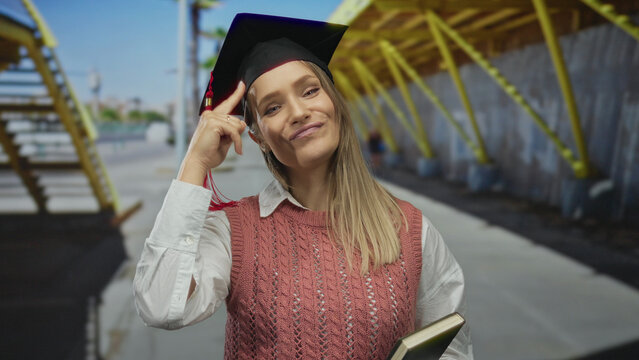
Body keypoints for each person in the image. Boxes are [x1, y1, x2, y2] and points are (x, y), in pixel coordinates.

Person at [133, 13, 472, 359]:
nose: (298, 112)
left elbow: (451, 348)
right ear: (259, 137)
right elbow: (161, 307)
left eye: (310, 91)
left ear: (335, 104)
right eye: (273, 107)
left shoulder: (410, 228)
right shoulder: (235, 233)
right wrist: (194, 164)